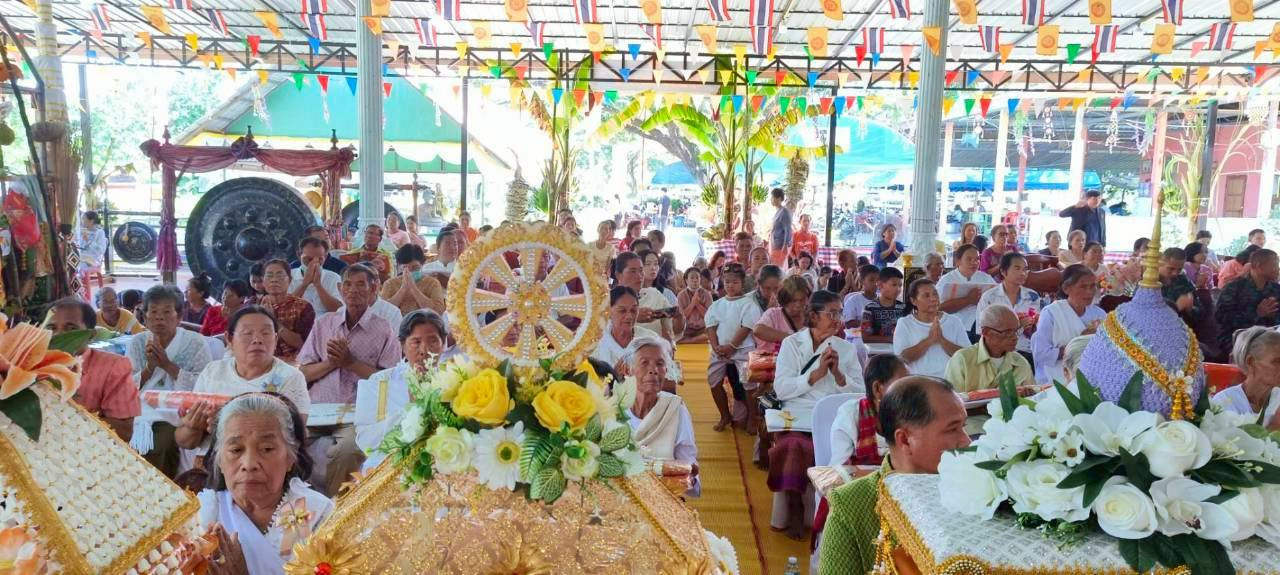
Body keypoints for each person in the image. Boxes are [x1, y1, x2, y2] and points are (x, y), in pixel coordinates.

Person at [817, 376, 971, 574]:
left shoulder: (976, 491)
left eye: (963, 427)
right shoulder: (851, 504)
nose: (966, 442)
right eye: (953, 429)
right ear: (905, 439)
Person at [197, 393, 333, 573]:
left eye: (267, 449)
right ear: (220, 460)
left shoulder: (319, 514)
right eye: (236, 450)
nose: (249, 464)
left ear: (290, 457)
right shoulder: (204, 514)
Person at [298, 264, 402, 495]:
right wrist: (330, 363)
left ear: (373, 289)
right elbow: (303, 372)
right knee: (285, 441)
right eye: (347, 284)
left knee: (347, 452)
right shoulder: (323, 324)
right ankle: (295, 507)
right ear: (339, 289)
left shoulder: (383, 329)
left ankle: (335, 511)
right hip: (318, 410)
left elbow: (388, 382)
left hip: (356, 413)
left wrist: (350, 363)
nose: (353, 290)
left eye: (360, 284)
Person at [770, 290, 864, 540]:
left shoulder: (845, 348)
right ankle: (795, 506)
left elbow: (861, 393)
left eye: (840, 313)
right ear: (813, 316)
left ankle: (832, 514)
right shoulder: (792, 344)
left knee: (842, 451)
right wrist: (815, 375)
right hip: (797, 414)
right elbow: (781, 388)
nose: (837, 319)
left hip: (834, 417)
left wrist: (839, 376)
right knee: (792, 446)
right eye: (831, 313)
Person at [177, 306, 311, 448]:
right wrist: (193, 427)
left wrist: (227, 421)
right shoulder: (213, 371)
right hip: (208, 462)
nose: (257, 340)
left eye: (266, 333)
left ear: (276, 339)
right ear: (229, 338)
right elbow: (184, 442)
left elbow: (297, 435)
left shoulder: (290, 377)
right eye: (247, 333)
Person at [126, 284, 214, 471]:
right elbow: (127, 385)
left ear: (179, 317)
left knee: (163, 443)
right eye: (154, 312)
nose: (159, 318)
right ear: (145, 317)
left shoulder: (195, 342)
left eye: (167, 312)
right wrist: (150, 368)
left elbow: (204, 384)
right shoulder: (137, 342)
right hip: (141, 407)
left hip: (178, 408)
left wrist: (167, 365)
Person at [355, 310, 448, 470]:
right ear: (402, 345)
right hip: (388, 466)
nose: (424, 350)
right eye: (416, 342)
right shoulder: (379, 382)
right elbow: (365, 439)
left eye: (433, 341)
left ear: (443, 343)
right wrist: (412, 408)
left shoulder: (453, 380)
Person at [48, 298, 138, 442]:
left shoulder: (114, 367)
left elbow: (124, 431)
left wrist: (64, 423)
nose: (59, 335)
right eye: (52, 328)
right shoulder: (31, 367)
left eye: (71, 328)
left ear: (91, 335)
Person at [626, 336, 701, 496]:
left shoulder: (675, 409)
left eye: (660, 364)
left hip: (664, 497)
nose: (653, 369)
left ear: (666, 371)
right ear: (629, 370)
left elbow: (687, 460)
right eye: (644, 363)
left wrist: (689, 475)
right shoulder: (611, 409)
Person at [828, 354, 908, 467]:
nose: (911, 391)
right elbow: (839, 469)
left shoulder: (913, 414)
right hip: (860, 483)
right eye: (903, 384)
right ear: (877, 389)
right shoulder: (850, 414)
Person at [1031, 264, 1106, 384]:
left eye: (1093, 286)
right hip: (1057, 379)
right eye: (1083, 286)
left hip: (1092, 378)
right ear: (1066, 288)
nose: (1089, 292)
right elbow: (1041, 353)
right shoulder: (1051, 313)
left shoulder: (1100, 314)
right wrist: (1079, 345)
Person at [704, 262, 756, 431]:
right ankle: (725, 415)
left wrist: (732, 346)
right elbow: (710, 327)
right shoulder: (717, 304)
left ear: (742, 282)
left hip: (742, 350)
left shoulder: (749, 303)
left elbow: (746, 327)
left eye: (734, 282)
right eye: (727, 282)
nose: (730, 285)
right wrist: (716, 346)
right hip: (720, 352)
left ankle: (753, 419)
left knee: (749, 383)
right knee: (713, 381)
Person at [944, 304, 1034, 392]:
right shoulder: (962, 360)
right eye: (1007, 332)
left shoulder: (1020, 363)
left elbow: (1034, 399)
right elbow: (951, 401)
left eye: (1016, 331)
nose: (1014, 337)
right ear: (986, 332)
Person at [893, 279, 970, 377]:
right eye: (926, 295)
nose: (933, 299)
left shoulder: (954, 321)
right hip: (918, 382)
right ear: (914, 301)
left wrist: (942, 340)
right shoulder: (905, 323)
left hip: (949, 382)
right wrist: (929, 340)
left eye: (935, 294)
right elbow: (902, 359)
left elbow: (966, 356)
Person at [976, 252, 1042, 361]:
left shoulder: (1032, 296)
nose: (1022, 273)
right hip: (997, 352)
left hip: (1026, 351)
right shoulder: (990, 297)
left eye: (1025, 269)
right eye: (1017, 268)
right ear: (1003, 271)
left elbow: (1036, 328)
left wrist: (1035, 324)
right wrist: (1017, 325)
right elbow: (981, 330)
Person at [1213, 326, 1280, 427]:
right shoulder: (1224, 401)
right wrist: (1275, 425)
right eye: (1277, 361)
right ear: (1251, 362)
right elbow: (1231, 441)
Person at [1215, 249, 1280, 352]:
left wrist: (1272, 316)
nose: (1278, 269)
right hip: (1239, 338)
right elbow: (1222, 317)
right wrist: (1257, 314)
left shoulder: (1276, 289)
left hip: (1270, 337)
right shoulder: (1234, 288)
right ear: (1259, 266)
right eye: (1274, 265)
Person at [593, 286, 664, 377]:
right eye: (622, 311)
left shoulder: (650, 339)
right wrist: (613, 377)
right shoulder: (596, 343)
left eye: (633, 310)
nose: (629, 316)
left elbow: (671, 381)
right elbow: (588, 384)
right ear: (608, 312)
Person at [258, 259, 316, 361]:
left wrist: (273, 321)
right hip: (261, 361)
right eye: (269, 276)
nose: (274, 280)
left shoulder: (303, 307)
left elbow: (303, 344)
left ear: (289, 280)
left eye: (280, 276)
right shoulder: (254, 306)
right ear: (263, 281)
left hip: (294, 363)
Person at [937, 244, 997, 338]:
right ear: (958, 261)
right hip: (957, 324)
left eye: (977, 259)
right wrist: (968, 300)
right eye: (969, 259)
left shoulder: (985, 278)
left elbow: (997, 299)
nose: (974, 262)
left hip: (983, 321)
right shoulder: (947, 280)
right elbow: (939, 308)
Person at [380, 244, 446, 315]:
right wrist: (403, 288)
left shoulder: (432, 283)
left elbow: (438, 311)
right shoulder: (390, 284)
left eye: (415, 267)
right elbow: (383, 311)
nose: (410, 271)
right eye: (405, 268)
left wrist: (413, 288)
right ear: (399, 266)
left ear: (422, 264)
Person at [754, 275, 812, 354]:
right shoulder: (773, 314)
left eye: (802, 300)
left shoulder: (812, 316)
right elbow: (758, 330)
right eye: (793, 301)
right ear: (784, 300)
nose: (798, 305)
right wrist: (793, 339)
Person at [290, 237, 344, 314]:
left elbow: (339, 310)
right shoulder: (288, 277)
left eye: (320, 259)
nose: (315, 263)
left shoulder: (333, 277)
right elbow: (286, 308)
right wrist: (304, 284)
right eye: (309, 259)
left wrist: (318, 285)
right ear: (299, 255)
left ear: (325, 257)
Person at [861, 267, 907, 344]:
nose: (898, 289)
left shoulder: (903, 308)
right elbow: (865, 338)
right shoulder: (870, 308)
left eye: (900, 286)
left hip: (899, 353)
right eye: (894, 285)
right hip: (877, 354)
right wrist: (891, 339)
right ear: (880, 285)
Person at [841, 264, 881, 332]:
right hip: (857, 338)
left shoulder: (884, 300)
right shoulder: (853, 300)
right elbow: (849, 323)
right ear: (861, 281)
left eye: (878, 280)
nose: (875, 283)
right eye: (871, 280)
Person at [678, 267, 713, 343]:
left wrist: (698, 304)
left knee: (712, 333)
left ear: (700, 279)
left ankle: (689, 341)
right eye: (692, 278)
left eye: (697, 277)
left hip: (703, 328)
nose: (695, 280)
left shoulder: (707, 294)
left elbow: (710, 316)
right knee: (676, 336)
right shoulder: (681, 295)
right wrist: (692, 303)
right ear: (686, 280)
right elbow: (681, 317)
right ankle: (694, 340)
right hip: (686, 330)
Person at [769, 188, 793, 267]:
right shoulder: (778, 211)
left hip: (780, 246)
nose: (771, 200)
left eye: (772, 197)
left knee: (778, 268)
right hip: (775, 244)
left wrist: (785, 246)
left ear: (779, 198)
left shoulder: (784, 212)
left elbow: (788, 230)